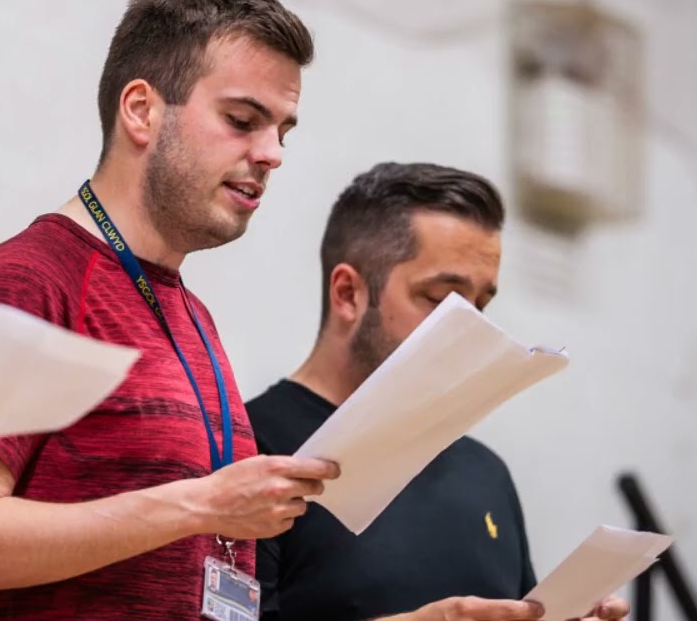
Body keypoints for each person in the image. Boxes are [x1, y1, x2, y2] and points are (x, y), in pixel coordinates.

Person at [0, 0, 340, 620]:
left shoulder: (189, 311)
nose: (271, 153)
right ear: (142, 110)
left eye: (282, 130)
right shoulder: (36, 284)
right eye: (242, 119)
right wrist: (201, 505)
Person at [246, 162, 631, 621]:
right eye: (443, 300)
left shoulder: (485, 471)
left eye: (481, 305)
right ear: (349, 294)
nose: (472, 329)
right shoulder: (249, 448)